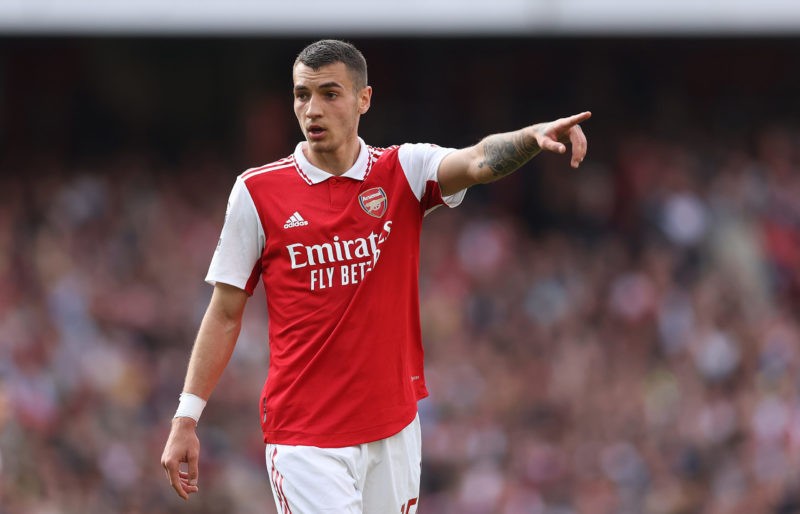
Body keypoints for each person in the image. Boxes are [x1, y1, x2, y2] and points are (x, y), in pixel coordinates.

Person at [161, 38, 590, 513]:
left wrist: (531, 137)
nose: (312, 109)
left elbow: (477, 160)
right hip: (307, 440)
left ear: (364, 99)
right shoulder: (257, 191)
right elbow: (224, 313)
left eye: (330, 93)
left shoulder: (402, 170)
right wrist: (187, 417)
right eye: (302, 95)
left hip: (394, 429)